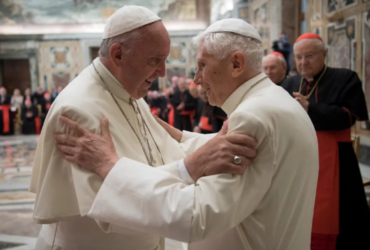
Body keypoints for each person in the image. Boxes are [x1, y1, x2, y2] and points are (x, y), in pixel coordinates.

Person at [55, 18, 319, 250]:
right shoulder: (275, 101)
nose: (196, 79)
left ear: (236, 64)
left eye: (202, 65)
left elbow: (196, 216)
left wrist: (110, 166)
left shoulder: (252, 117)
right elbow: (253, 154)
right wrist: (181, 137)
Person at [30, 6, 256, 250]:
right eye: (154, 61)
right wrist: (193, 166)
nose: (162, 72)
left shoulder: (130, 93)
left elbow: (167, 151)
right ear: (118, 55)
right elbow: (112, 210)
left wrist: (214, 144)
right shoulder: (78, 110)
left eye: (164, 60)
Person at [281, 33, 370, 250]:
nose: (303, 62)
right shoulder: (290, 82)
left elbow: (349, 117)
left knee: (339, 215)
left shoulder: (345, 78)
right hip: (297, 159)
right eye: (299, 57)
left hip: (336, 159)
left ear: (324, 54)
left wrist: (311, 108)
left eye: (309, 56)